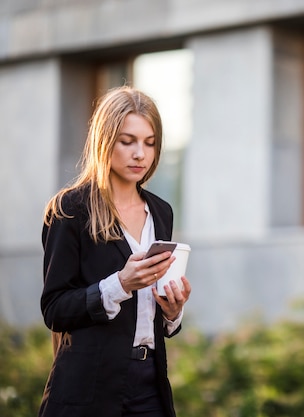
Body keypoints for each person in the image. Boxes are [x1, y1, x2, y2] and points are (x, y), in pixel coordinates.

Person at [39, 86, 192, 417]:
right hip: (89, 388)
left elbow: (152, 314)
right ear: (105, 140)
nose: (140, 153)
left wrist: (172, 310)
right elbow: (54, 309)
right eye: (128, 141)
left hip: (150, 384)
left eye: (150, 143)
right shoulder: (70, 209)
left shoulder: (161, 211)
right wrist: (120, 284)